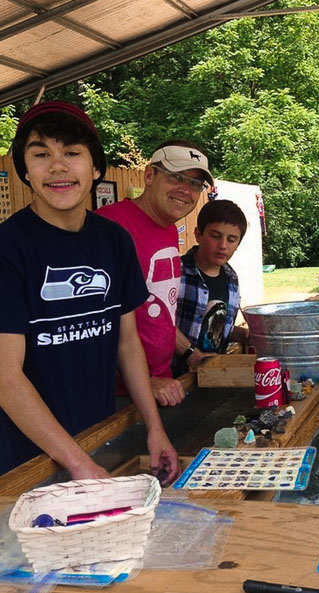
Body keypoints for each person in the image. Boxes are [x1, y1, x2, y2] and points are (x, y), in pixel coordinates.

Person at [0, 100, 179, 482]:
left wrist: (154, 427)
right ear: (25, 171)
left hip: (99, 438)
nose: (58, 166)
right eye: (41, 154)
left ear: (95, 167)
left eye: (71, 153)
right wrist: (78, 463)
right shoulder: (8, 248)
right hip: (28, 459)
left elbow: (127, 342)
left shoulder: (114, 241)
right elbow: (5, 376)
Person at [98, 141, 215, 406]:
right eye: (176, 177)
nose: (185, 190)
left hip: (163, 384)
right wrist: (142, 381)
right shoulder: (109, 227)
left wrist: (191, 354)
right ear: (149, 175)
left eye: (196, 184)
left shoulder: (169, 228)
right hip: (117, 395)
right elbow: (88, 323)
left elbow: (160, 307)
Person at [172, 199, 250, 377]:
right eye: (215, 236)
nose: (223, 245)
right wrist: (191, 354)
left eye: (231, 239)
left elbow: (216, 326)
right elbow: (158, 323)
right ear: (198, 234)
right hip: (174, 378)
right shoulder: (175, 272)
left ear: (238, 244)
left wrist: (245, 335)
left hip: (212, 375)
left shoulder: (232, 278)